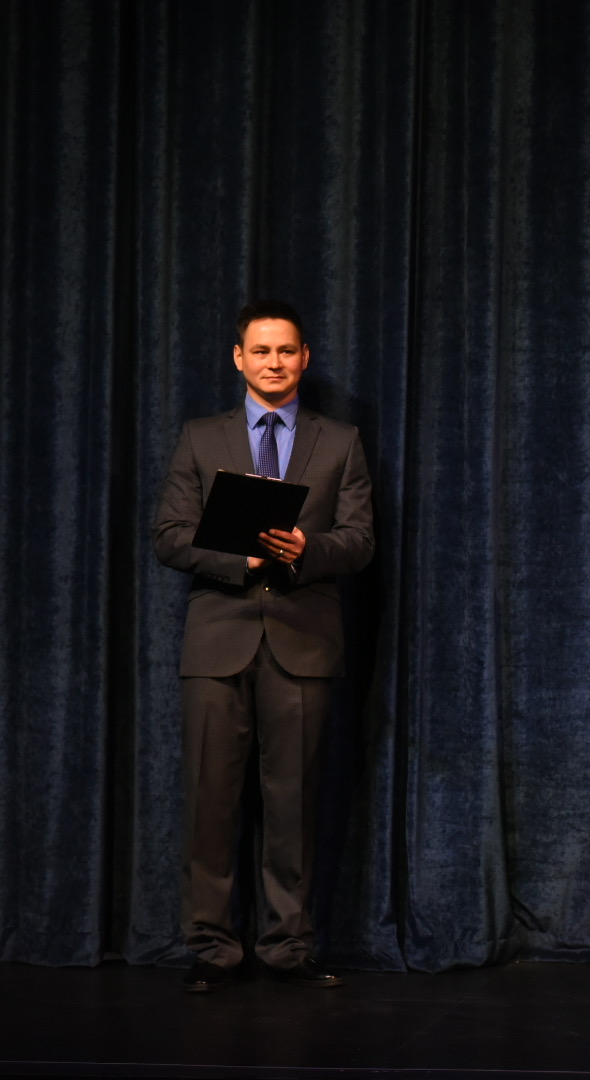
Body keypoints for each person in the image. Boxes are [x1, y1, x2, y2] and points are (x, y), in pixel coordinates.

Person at [153, 300, 374, 992]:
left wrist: (308, 549)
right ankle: (212, 949)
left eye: (285, 351)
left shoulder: (340, 441)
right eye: (261, 351)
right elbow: (168, 536)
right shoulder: (201, 437)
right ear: (238, 358)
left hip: (303, 642)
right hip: (217, 642)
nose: (273, 362)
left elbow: (360, 541)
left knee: (294, 804)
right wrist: (240, 559)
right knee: (210, 802)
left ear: (303, 358)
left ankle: (287, 948)